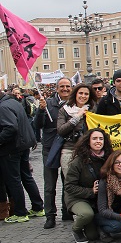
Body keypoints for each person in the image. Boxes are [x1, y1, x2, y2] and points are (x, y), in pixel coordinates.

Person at [0, 90, 44, 223]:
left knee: (13, 180)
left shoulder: (2, 107)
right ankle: (38, 207)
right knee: (26, 177)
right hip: (23, 145)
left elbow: (11, 127)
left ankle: (20, 212)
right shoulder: (13, 102)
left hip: (11, 148)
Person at [35, 76, 72, 228]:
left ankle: (66, 211)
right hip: (50, 148)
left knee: (67, 182)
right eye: (62, 86)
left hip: (67, 147)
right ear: (56, 88)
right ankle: (50, 215)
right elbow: (37, 125)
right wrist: (40, 110)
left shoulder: (74, 104)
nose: (65, 89)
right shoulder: (48, 103)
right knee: (50, 185)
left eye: (67, 86)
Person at [64, 128, 113, 243]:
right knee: (86, 214)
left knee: (92, 235)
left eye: (101, 138)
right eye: (94, 138)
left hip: (98, 199)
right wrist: (91, 191)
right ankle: (76, 229)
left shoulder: (109, 158)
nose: (98, 141)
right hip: (78, 197)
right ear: (88, 142)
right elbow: (69, 186)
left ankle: (95, 224)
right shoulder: (79, 161)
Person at [57, 84, 97, 179]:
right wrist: (77, 117)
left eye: (86, 94)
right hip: (69, 150)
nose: (83, 96)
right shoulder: (65, 110)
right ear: (75, 94)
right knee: (71, 182)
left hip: (88, 152)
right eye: (81, 93)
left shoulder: (93, 110)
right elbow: (61, 130)